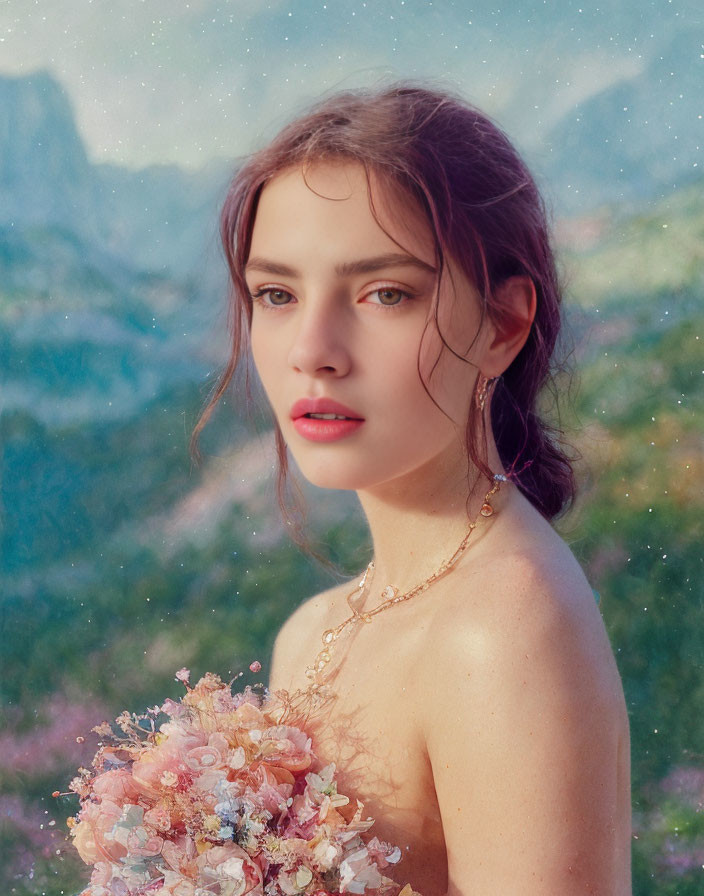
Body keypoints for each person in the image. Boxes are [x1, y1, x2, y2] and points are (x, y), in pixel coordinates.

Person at [194, 84, 632, 895]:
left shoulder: (502, 628)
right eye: (278, 295)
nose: (313, 351)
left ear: (502, 324)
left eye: (384, 293)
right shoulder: (315, 630)